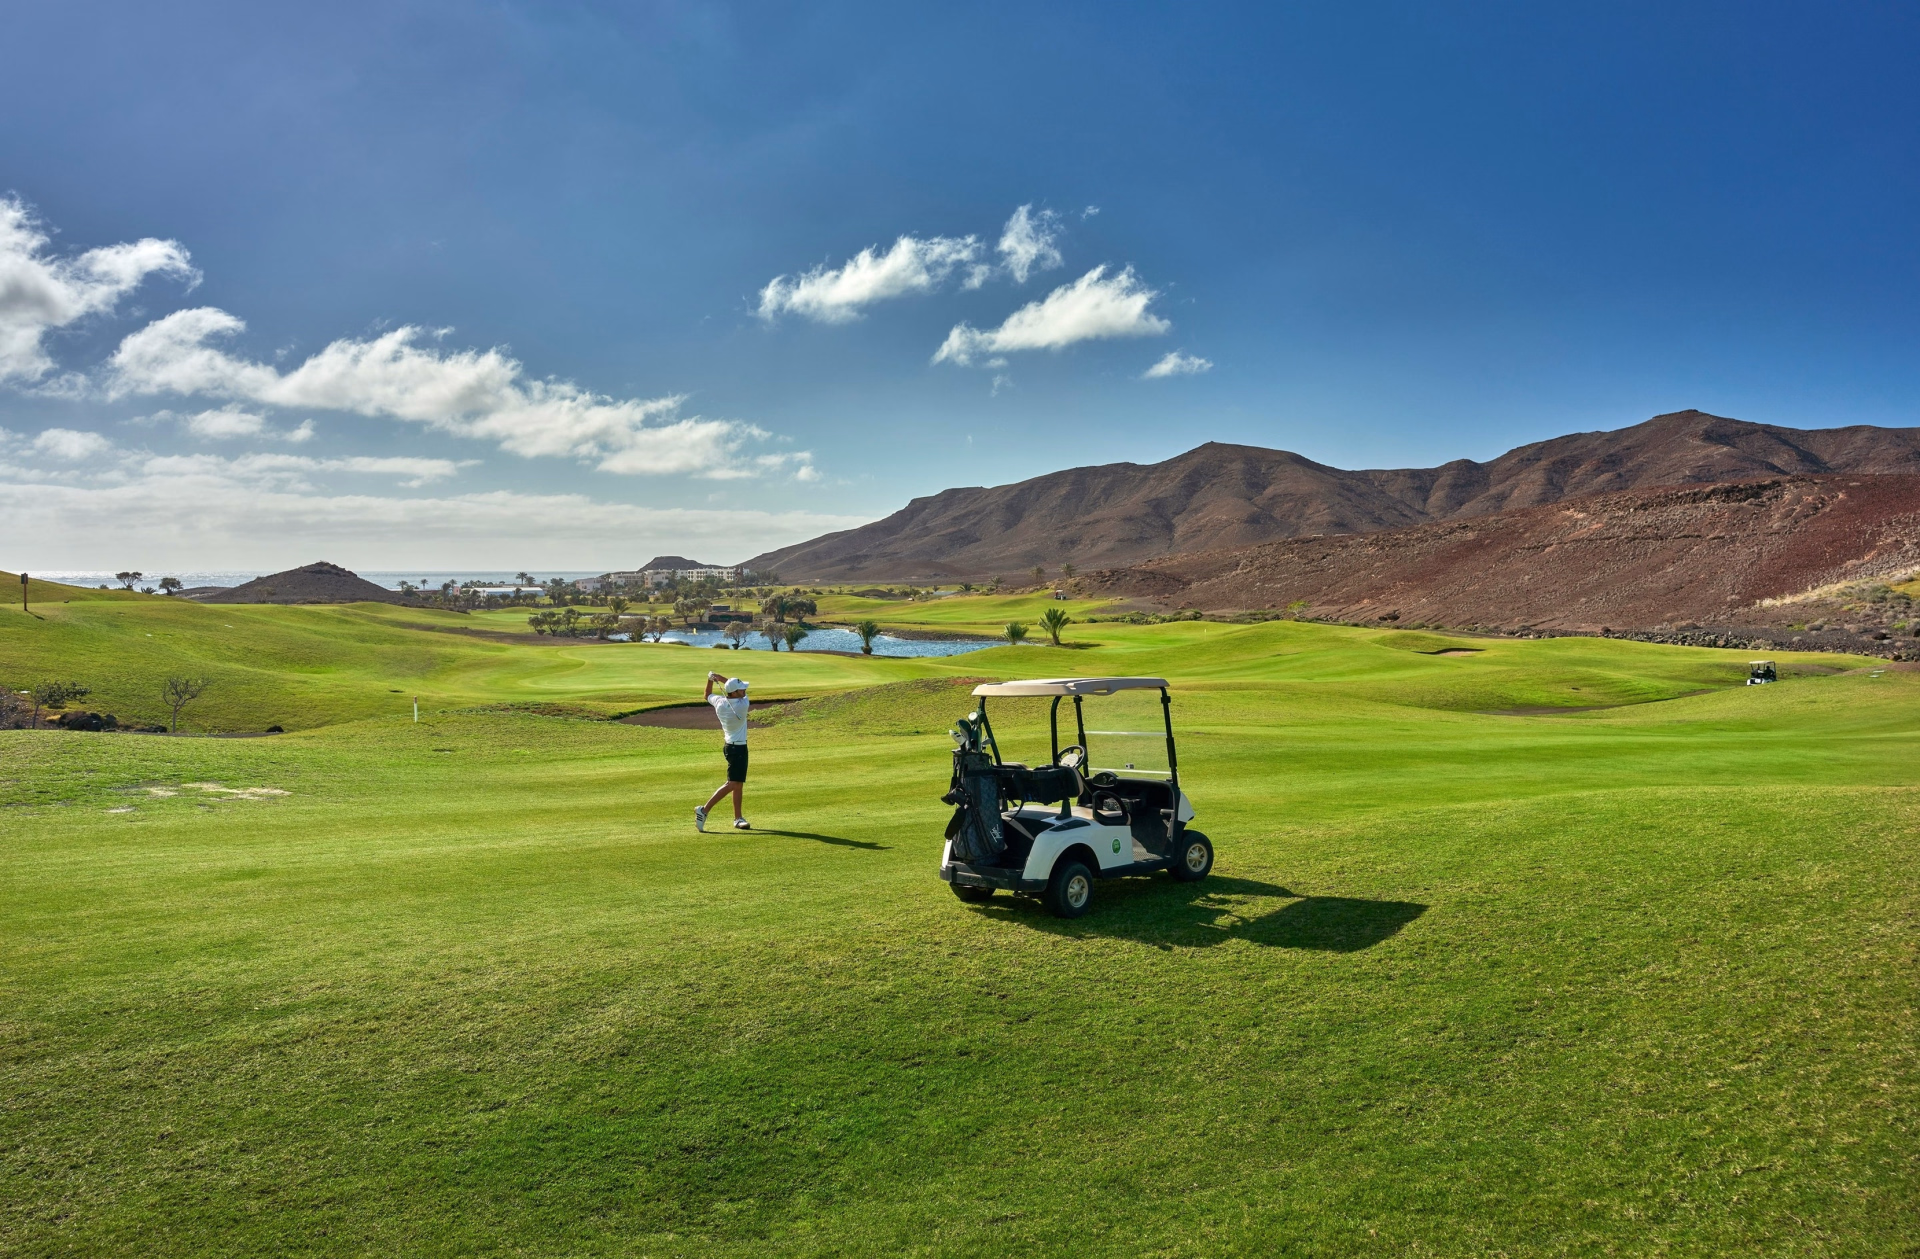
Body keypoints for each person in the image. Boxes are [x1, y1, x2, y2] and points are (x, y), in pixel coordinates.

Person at [694, 672, 751, 831]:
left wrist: (710, 679)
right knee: (732, 783)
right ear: (734, 692)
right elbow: (730, 688)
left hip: (729, 747)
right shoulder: (742, 705)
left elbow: (707, 695)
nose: (744, 691)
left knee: (738, 784)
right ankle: (703, 810)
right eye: (741, 689)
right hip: (738, 748)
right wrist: (720, 678)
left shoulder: (719, 702)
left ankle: (738, 818)